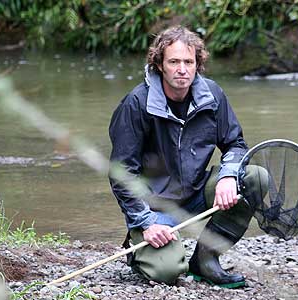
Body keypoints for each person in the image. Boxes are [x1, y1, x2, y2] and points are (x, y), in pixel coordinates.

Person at [109, 26, 267, 288]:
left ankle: (205, 261)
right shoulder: (136, 104)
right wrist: (146, 223)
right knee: (167, 272)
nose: (182, 69)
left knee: (253, 178)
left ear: (197, 64)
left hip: (195, 193)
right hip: (154, 207)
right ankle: (139, 248)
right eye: (173, 61)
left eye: (188, 62)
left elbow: (236, 144)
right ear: (159, 64)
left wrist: (228, 176)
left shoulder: (212, 95)